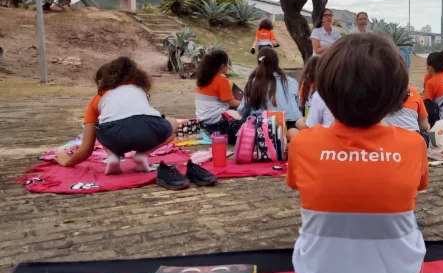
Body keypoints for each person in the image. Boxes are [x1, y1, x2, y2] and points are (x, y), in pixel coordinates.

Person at [288, 32, 428, 273]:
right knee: (405, 207)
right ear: (397, 94)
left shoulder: (302, 144)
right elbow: (419, 187)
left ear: (325, 89)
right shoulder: (414, 144)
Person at [53, 57, 215, 187]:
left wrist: (66, 161)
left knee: (98, 126)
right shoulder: (140, 91)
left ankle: (113, 157)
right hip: (149, 129)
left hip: (113, 136)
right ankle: (142, 155)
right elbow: (141, 119)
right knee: (172, 126)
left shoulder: (98, 98)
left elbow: (86, 149)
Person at [238, 48, 301, 140]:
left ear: (259, 62)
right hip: (291, 124)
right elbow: (296, 105)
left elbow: (243, 111)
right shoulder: (291, 82)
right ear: (277, 62)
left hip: (264, 126)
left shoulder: (253, 83)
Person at [195, 50, 241, 129]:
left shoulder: (204, 78)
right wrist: (247, 103)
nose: (229, 67)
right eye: (227, 64)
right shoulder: (221, 80)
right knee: (242, 111)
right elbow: (232, 103)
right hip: (214, 119)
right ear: (222, 66)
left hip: (202, 118)